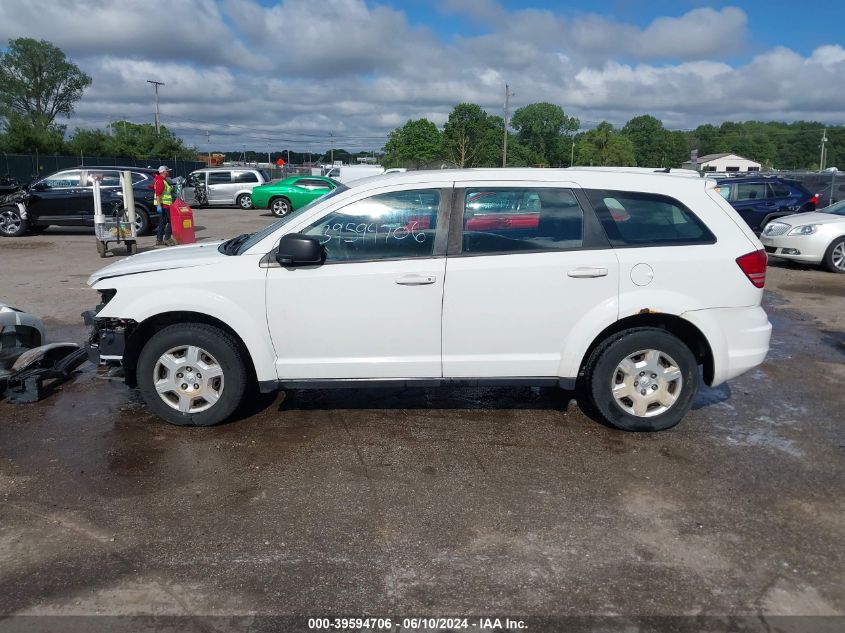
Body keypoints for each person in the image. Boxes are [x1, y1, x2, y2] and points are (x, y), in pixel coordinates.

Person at [154, 165, 176, 246]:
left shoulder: (163, 180)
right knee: (171, 222)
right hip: (165, 205)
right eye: (167, 171)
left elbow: (164, 191)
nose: (168, 172)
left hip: (165, 205)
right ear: (163, 172)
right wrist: (159, 206)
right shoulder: (160, 181)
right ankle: (167, 238)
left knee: (162, 223)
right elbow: (158, 194)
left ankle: (159, 240)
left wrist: (172, 189)